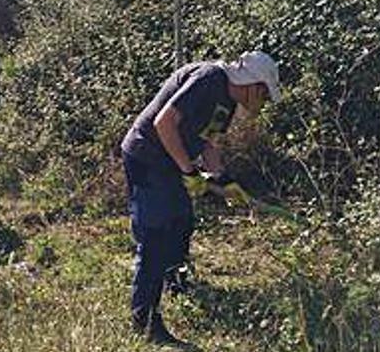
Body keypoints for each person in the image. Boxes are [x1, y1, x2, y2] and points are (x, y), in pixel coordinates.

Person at [120, 50, 282, 345]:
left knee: (182, 222)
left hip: (171, 161)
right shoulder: (208, 79)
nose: (264, 103)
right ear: (255, 86)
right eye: (265, 95)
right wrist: (189, 170)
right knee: (157, 233)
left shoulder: (228, 103)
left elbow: (206, 142)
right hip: (147, 156)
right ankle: (144, 320)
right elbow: (164, 123)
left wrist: (222, 178)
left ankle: (177, 283)